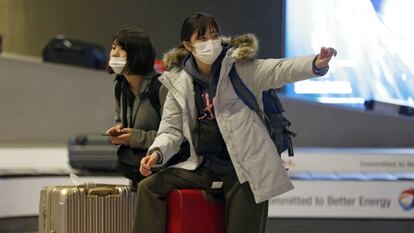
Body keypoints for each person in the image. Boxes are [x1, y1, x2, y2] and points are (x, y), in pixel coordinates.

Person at [135, 13, 337, 233]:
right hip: (204, 166)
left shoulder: (239, 67)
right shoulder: (179, 81)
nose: (211, 42)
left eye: (214, 35)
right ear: (188, 45)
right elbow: (171, 130)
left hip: (245, 169)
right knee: (150, 188)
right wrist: (156, 153)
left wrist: (314, 64)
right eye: (202, 38)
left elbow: (278, 69)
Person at [105, 28, 168, 190]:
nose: (115, 54)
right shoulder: (120, 85)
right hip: (135, 167)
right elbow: (120, 118)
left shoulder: (162, 87)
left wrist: (134, 137)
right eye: (113, 48)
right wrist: (119, 130)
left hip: (162, 169)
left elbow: (175, 137)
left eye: (122, 48)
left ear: (138, 54)